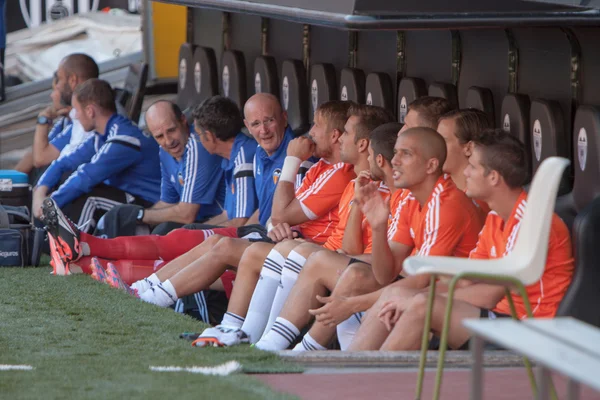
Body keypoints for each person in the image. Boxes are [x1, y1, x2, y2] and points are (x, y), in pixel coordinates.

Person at [255, 127, 484, 351]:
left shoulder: (444, 204)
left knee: (368, 282)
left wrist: (352, 304)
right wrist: (378, 226)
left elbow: (422, 280)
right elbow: (385, 273)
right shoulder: (411, 200)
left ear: (431, 165)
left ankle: (309, 353)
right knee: (359, 275)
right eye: (396, 153)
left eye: (406, 154)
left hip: (453, 297)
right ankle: (289, 347)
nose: (395, 161)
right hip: (422, 287)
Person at [191, 110, 398, 347]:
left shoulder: (372, 188)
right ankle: (240, 330)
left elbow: (387, 262)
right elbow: (278, 218)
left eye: (345, 133)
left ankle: (272, 341)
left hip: (354, 264)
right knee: (235, 246)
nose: (340, 138)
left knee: (249, 248)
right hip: (334, 254)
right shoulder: (354, 182)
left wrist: (291, 162)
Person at [355, 129, 574, 351]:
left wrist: (416, 298)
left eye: (472, 166)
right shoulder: (495, 217)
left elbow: (490, 294)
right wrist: (407, 296)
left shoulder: (530, 220)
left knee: (422, 305)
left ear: (493, 177)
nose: (465, 172)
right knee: (399, 294)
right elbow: (465, 279)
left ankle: (372, 380)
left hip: (532, 329)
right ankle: (356, 370)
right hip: (500, 317)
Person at [42, 93, 301, 280]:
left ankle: (90, 258)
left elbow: (243, 220)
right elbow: (256, 216)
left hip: (270, 242)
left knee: (180, 237)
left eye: (268, 121)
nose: (263, 130)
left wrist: (147, 216)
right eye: (256, 124)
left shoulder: (257, 153)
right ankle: (85, 251)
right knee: (179, 236)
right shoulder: (262, 154)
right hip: (259, 235)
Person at [34, 79, 161, 240]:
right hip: (128, 197)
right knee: (70, 181)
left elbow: (86, 176)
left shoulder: (123, 137)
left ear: (90, 111)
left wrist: (49, 205)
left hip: (150, 206)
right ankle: (52, 240)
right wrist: (40, 190)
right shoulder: (102, 134)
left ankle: (74, 248)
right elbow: (64, 162)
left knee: (90, 197)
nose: (75, 115)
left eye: (77, 110)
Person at [98, 99, 229, 236]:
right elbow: (168, 202)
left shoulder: (197, 145)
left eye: (171, 130)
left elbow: (186, 214)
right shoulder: (164, 151)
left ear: (183, 120)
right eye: (159, 136)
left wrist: (140, 215)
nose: (168, 141)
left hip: (221, 222)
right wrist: (137, 216)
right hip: (199, 222)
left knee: (164, 231)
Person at [15, 54, 100, 181]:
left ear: (72, 80)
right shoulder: (71, 117)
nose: (55, 90)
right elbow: (34, 154)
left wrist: (42, 121)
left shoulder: (84, 120)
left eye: (59, 80)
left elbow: (40, 159)